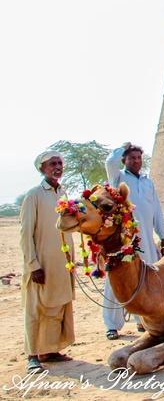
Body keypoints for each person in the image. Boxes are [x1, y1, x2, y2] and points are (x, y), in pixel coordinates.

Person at [102, 143, 164, 340]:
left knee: (144, 277)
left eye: (138, 158)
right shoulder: (118, 178)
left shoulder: (148, 182)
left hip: (145, 237)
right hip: (123, 239)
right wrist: (124, 147)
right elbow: (110, 162)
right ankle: (112, 325)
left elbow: (156, 210)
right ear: (124, 161)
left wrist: (163, 236)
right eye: (131, 158)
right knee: (117, 279)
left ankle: (141, 321)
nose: (136, 161)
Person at [19, 151, 75, 373]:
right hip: (41, 265)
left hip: (62, 264)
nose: (58, 166)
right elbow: (25, 234)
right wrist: (33, 265)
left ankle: (50, 350)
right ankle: (33, 355)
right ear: (42, 168)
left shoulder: (63, 193)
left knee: (58, 307)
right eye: (53, 163)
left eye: (60, 163)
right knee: (36, 309)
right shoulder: (34, 195)